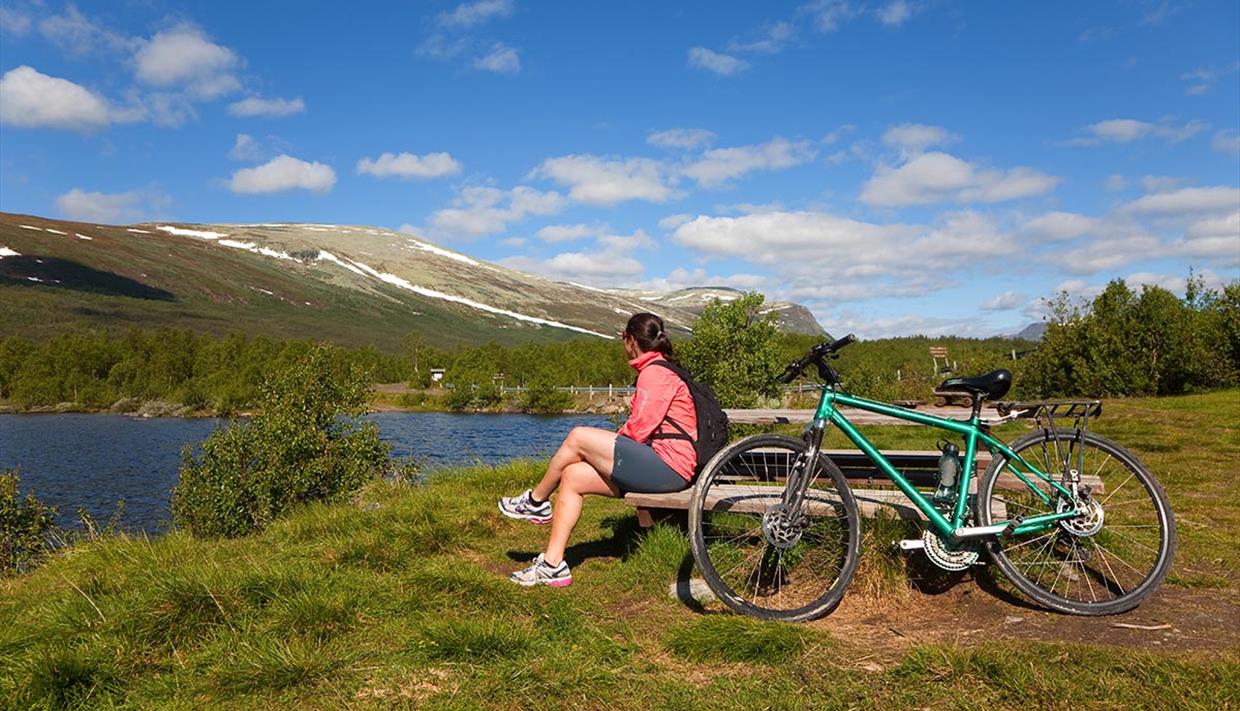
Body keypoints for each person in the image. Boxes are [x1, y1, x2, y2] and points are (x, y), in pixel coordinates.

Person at [498, 312, 697, 587]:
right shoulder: (659, 369)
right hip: (659, 465)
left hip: (668, 467)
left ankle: (535, 501)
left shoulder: (655, 373)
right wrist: (611, 449)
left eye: (623, 339)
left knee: (578, 436)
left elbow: (638, 431)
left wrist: (608, 447)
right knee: (572, 476)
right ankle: (553, 565)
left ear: (629, 340)